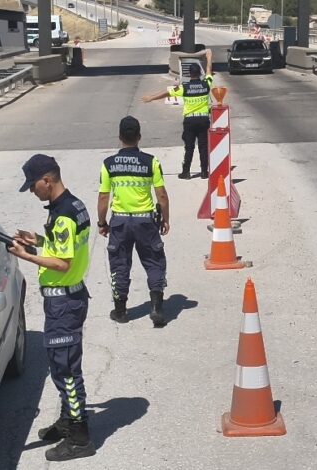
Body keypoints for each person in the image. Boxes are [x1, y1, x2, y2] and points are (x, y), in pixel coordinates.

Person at [8, 154, 95, 462]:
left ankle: (80, 437)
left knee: (66, 370)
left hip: (64, 304)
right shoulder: (73, 206)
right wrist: (38, 240)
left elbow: (62, 262)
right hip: (68, 299)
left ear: (47, 180)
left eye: (33, 186)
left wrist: (26, 255)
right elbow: (62, 246)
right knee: (62, 366)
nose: (33, 192)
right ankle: (68, 419)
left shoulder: (64, 215)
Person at [97, 116, 170, 327]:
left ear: (119, 137)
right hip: (145, 221)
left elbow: (103, 197)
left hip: (120, 222)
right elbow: (162, 195)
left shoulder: (108, 164)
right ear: (139, 136)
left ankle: (120, 311)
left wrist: (102, 223)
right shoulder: (151, 162)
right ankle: (156, 307)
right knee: (154, 261)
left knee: (119, 264)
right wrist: (165, 219)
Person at [142, 49, 214, 180]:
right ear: (200, 73)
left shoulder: (184, 88)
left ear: (189, 74)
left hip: (190, 121)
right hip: (204, 120)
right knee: (203, 147)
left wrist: (151, 98)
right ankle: (204, 172)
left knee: (189, 147)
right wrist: (209, 57)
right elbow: (209, 70)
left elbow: (167, 93)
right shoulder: (206, 84)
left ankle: (186, 173)